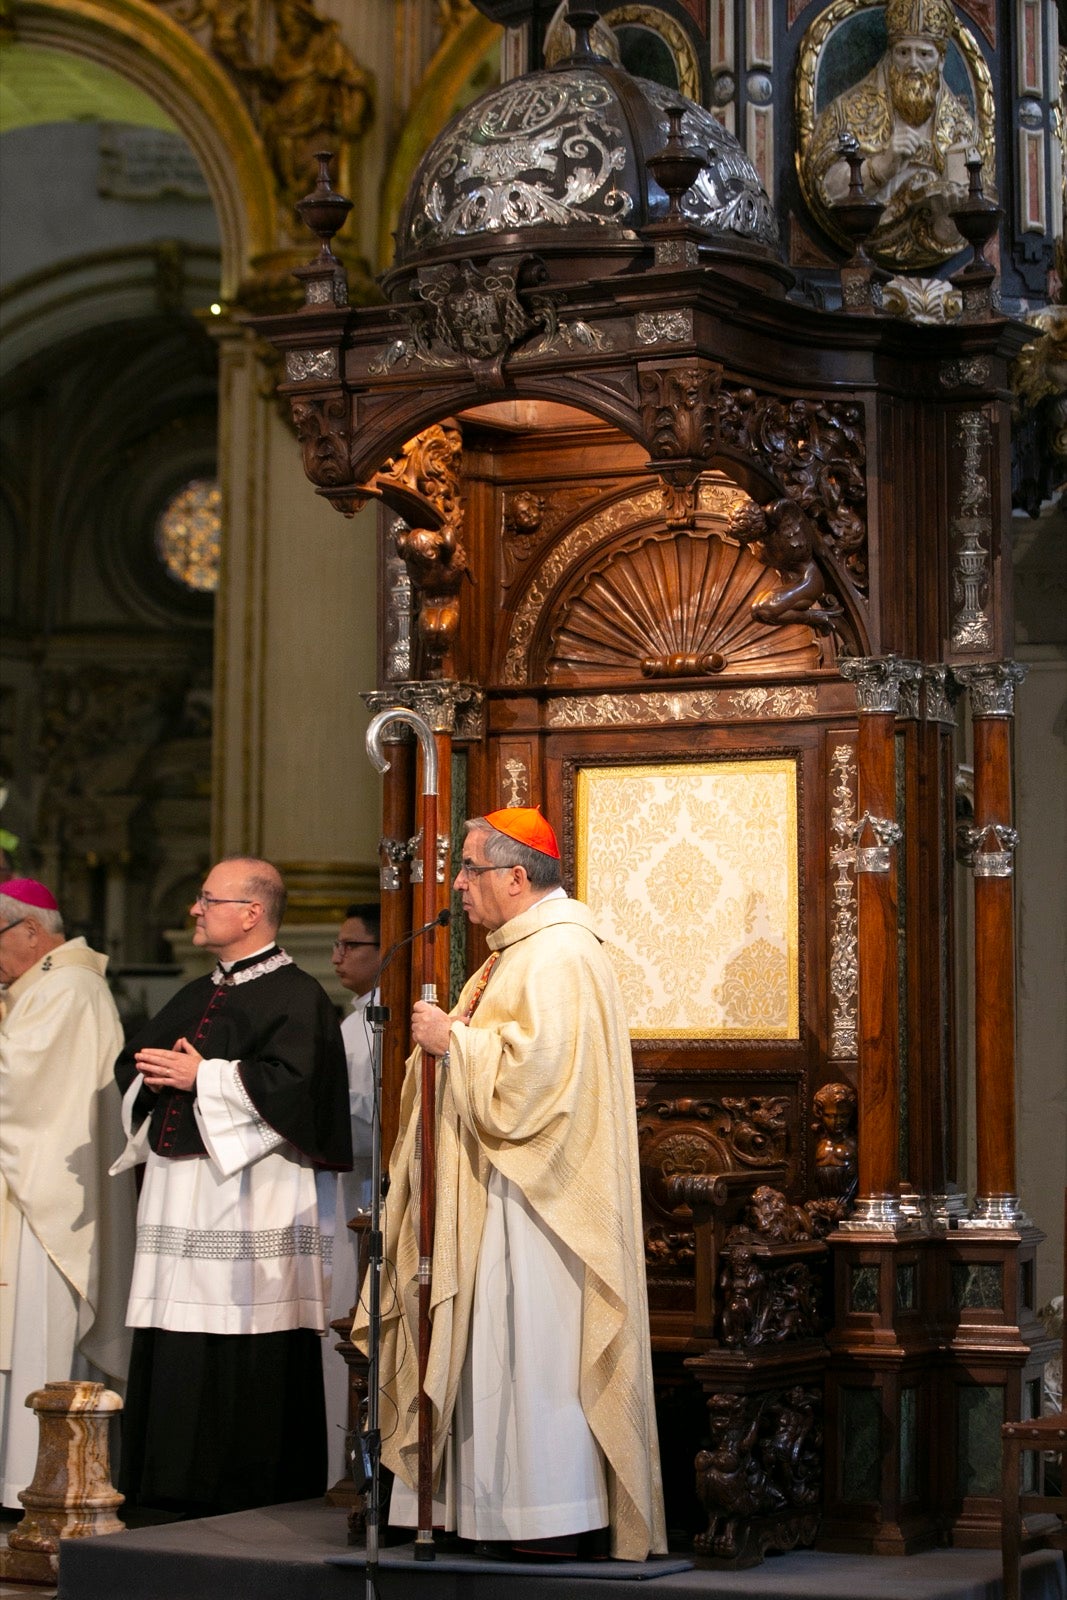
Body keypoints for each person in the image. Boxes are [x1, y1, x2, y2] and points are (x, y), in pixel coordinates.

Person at [362, 807, 666, 1561]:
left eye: (469, 869)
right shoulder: (516, 951)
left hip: (536, 1205)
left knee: (529, 1352)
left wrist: (450, 1042)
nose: (457, 884)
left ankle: (544, 1516)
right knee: (492, 1352)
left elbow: (533, 1085)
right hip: (498, 1191)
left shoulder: (559, 954)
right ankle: (483, 1512)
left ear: (516, 877)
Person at [111, 856, 352, 1517]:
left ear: (250, 913)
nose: (194, 909)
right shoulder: (194, 993)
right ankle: (163, 1485)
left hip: (248, 1199)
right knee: (173, 1335)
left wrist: (206, 1079)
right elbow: (132, 1067)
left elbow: (301, 1089)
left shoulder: (298, 996)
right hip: (181, 1194)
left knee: (242, 1342)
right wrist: (153, 1076)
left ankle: (242, 1489)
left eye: (206, 898)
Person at [0, 879, 136, 1508]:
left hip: (47, 1210)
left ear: (30, 931)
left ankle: (37, 1484)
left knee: (40, 1336)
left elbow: (19, 1088)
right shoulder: (46, 988)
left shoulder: (67, 989)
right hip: (30, 1191)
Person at [805, 0, 983, 267]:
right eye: (903, 52)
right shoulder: (848, 111)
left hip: (938, 255)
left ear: (941, 60)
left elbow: (977, 208)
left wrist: (948, 214)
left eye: (924, 54)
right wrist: (881, 166)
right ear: (890, 55)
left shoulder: (963, 129)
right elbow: (824, 185)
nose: (913, 64)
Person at [320, 900, 380, 1486]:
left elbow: (368, 1123)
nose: (337, 956)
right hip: (345, 1189)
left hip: (365, 1191)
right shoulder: (353, 1021)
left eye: (351, 946)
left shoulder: (372, 1022)